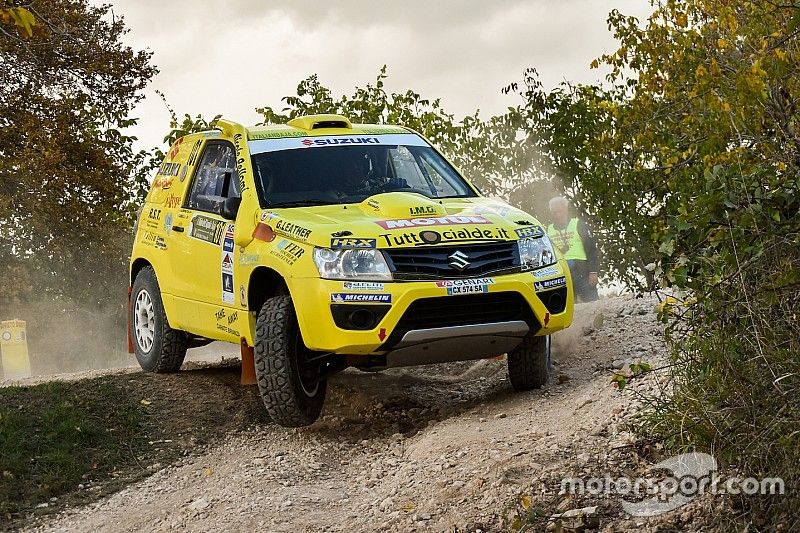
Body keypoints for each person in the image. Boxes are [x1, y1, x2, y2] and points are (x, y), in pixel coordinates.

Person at [547, 196, 599, 302]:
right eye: (554, 212)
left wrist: (593, 272)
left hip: (581, 270)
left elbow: (591, 249)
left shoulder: (578, 224)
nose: (557, 215)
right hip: (562, 272)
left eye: (559, 211)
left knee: (592, 304)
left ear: (566, 210)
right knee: (569, 307)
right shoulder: (549, 230)